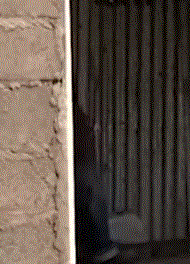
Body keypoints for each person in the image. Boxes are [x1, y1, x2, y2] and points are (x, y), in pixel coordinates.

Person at [75, 104, 120, 264]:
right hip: (80, 164)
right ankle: (102, 249)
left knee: (91, 201)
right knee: (91, 201)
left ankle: (101, 249)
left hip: (82, 163)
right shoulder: (76, 116)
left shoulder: (78, 116)